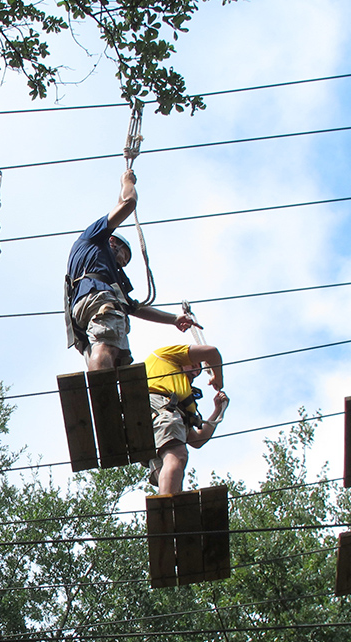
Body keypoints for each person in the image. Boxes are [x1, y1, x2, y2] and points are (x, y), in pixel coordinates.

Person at [65, 170, 195, 370]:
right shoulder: (92, 238)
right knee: (106, 345)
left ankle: (104, 390)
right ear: (112, 241)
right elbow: (127, 204)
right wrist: (127, 182)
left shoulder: (105, 271)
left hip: (81, 307)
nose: (122, 263)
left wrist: (174, 319)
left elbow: (134, 308)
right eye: (123, 256)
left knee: (113, 355)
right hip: (98, 297)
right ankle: (102, 397)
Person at [144, 344, 229, 494]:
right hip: (159, 407)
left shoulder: (183, 401)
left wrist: (217, 410)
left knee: (174, 478)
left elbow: (197, 440)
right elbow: (211, 352)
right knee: (177, 454)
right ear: (183, 360)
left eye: (198, 372)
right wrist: (218, 377)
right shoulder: (165, 357)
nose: (196, 372)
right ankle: (166, 507)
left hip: (156, 420)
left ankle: (168, 507)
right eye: (194, 365)